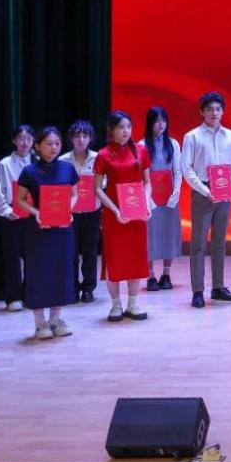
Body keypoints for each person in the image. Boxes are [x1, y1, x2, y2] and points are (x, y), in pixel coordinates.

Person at [181, 91, 231, 308]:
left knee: (220, 241)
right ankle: (197, 290)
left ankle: (218, 286)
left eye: (218, 109)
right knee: (198, 243)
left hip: (225, 191)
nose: (214, 113)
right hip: (203, 191)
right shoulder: (192, 137)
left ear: (222, 111)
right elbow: (186, 168)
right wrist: (202, 189)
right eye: (209, 109)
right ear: (201, 112)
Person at [14, 127, 78, 338]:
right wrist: (37, 213)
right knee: (39, 273)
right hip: (39, 231)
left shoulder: (68, 168)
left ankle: (56, 320)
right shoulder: (29, 171)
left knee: (60, 271)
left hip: (62, 230)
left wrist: (68, 211)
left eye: (57, 143)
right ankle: (40, 323)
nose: (54, 147)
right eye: (49, 143)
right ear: (38, 146)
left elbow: (74, 195)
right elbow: (20, 200)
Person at [93, 111, 153, 322]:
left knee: (135, 257)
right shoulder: (103, 155)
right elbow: (97, 188)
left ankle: (133, 303)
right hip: (114, 216)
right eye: (121, 127)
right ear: (111, 130)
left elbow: (147, 182)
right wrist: (115, 211)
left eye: (128, 126)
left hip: (136, 215)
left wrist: (146, 204)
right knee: (115, 258)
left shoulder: (142, 151)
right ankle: (116, 305)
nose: (125, 131)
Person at [0, 125, 36, 311]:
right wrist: (6, 211)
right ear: (14, 140)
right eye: (21, 138)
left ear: (33, 141)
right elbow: (0, 191)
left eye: (28, 139)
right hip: (12, 215)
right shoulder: (5, 163)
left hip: (33, 215)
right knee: (12, 257)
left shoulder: (38, 161)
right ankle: (13, 297)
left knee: (33, 256)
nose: (25, 142)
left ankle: (30, 294)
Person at [59, 120, 99, 303]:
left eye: (85, 136)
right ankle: (72, 288)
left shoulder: (98, 158)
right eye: (77, 136)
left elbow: (103, 183)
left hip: (92, 211)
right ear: (71, 139)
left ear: (90, 138)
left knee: (90, 252)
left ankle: (88, 289)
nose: (81, 140)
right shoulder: (63, 160)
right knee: (71, 252)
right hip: (70, 213)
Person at [143, 106, 182, 291]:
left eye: (163, 121)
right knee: (149, 235)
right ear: (150, 123)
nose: (160, 124)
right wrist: (147, 199)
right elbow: (140, 175)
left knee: (169, 234)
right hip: (149, 198)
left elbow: (178, 171)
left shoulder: (173, 144)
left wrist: (176, 193)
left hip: (169, 198)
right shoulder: (142, 145)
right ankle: (150, 275)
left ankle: (166, 274)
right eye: (156, 121)